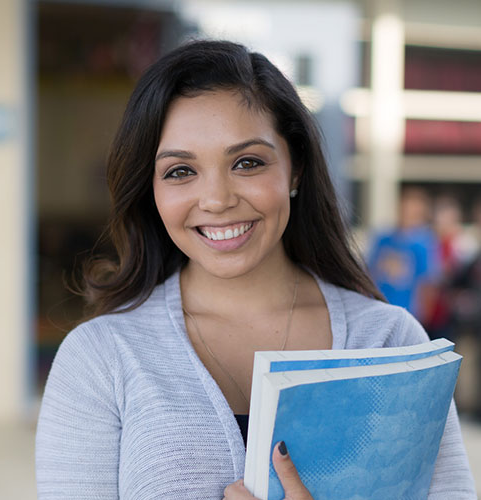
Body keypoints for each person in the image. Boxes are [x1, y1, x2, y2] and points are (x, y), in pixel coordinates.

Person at [35, 40, 476, 499]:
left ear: (296, 169)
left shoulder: (390, 343)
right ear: (151, 190)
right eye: (180, 171)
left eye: (247, 162)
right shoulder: (100, 359)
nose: (217, 200)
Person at [367, 187, 441, 324]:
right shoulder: (384, 238)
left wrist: (423, 317)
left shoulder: (424, 243)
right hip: (380, 308)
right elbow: (371, 272)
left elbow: (427, 284)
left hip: (409, 314)